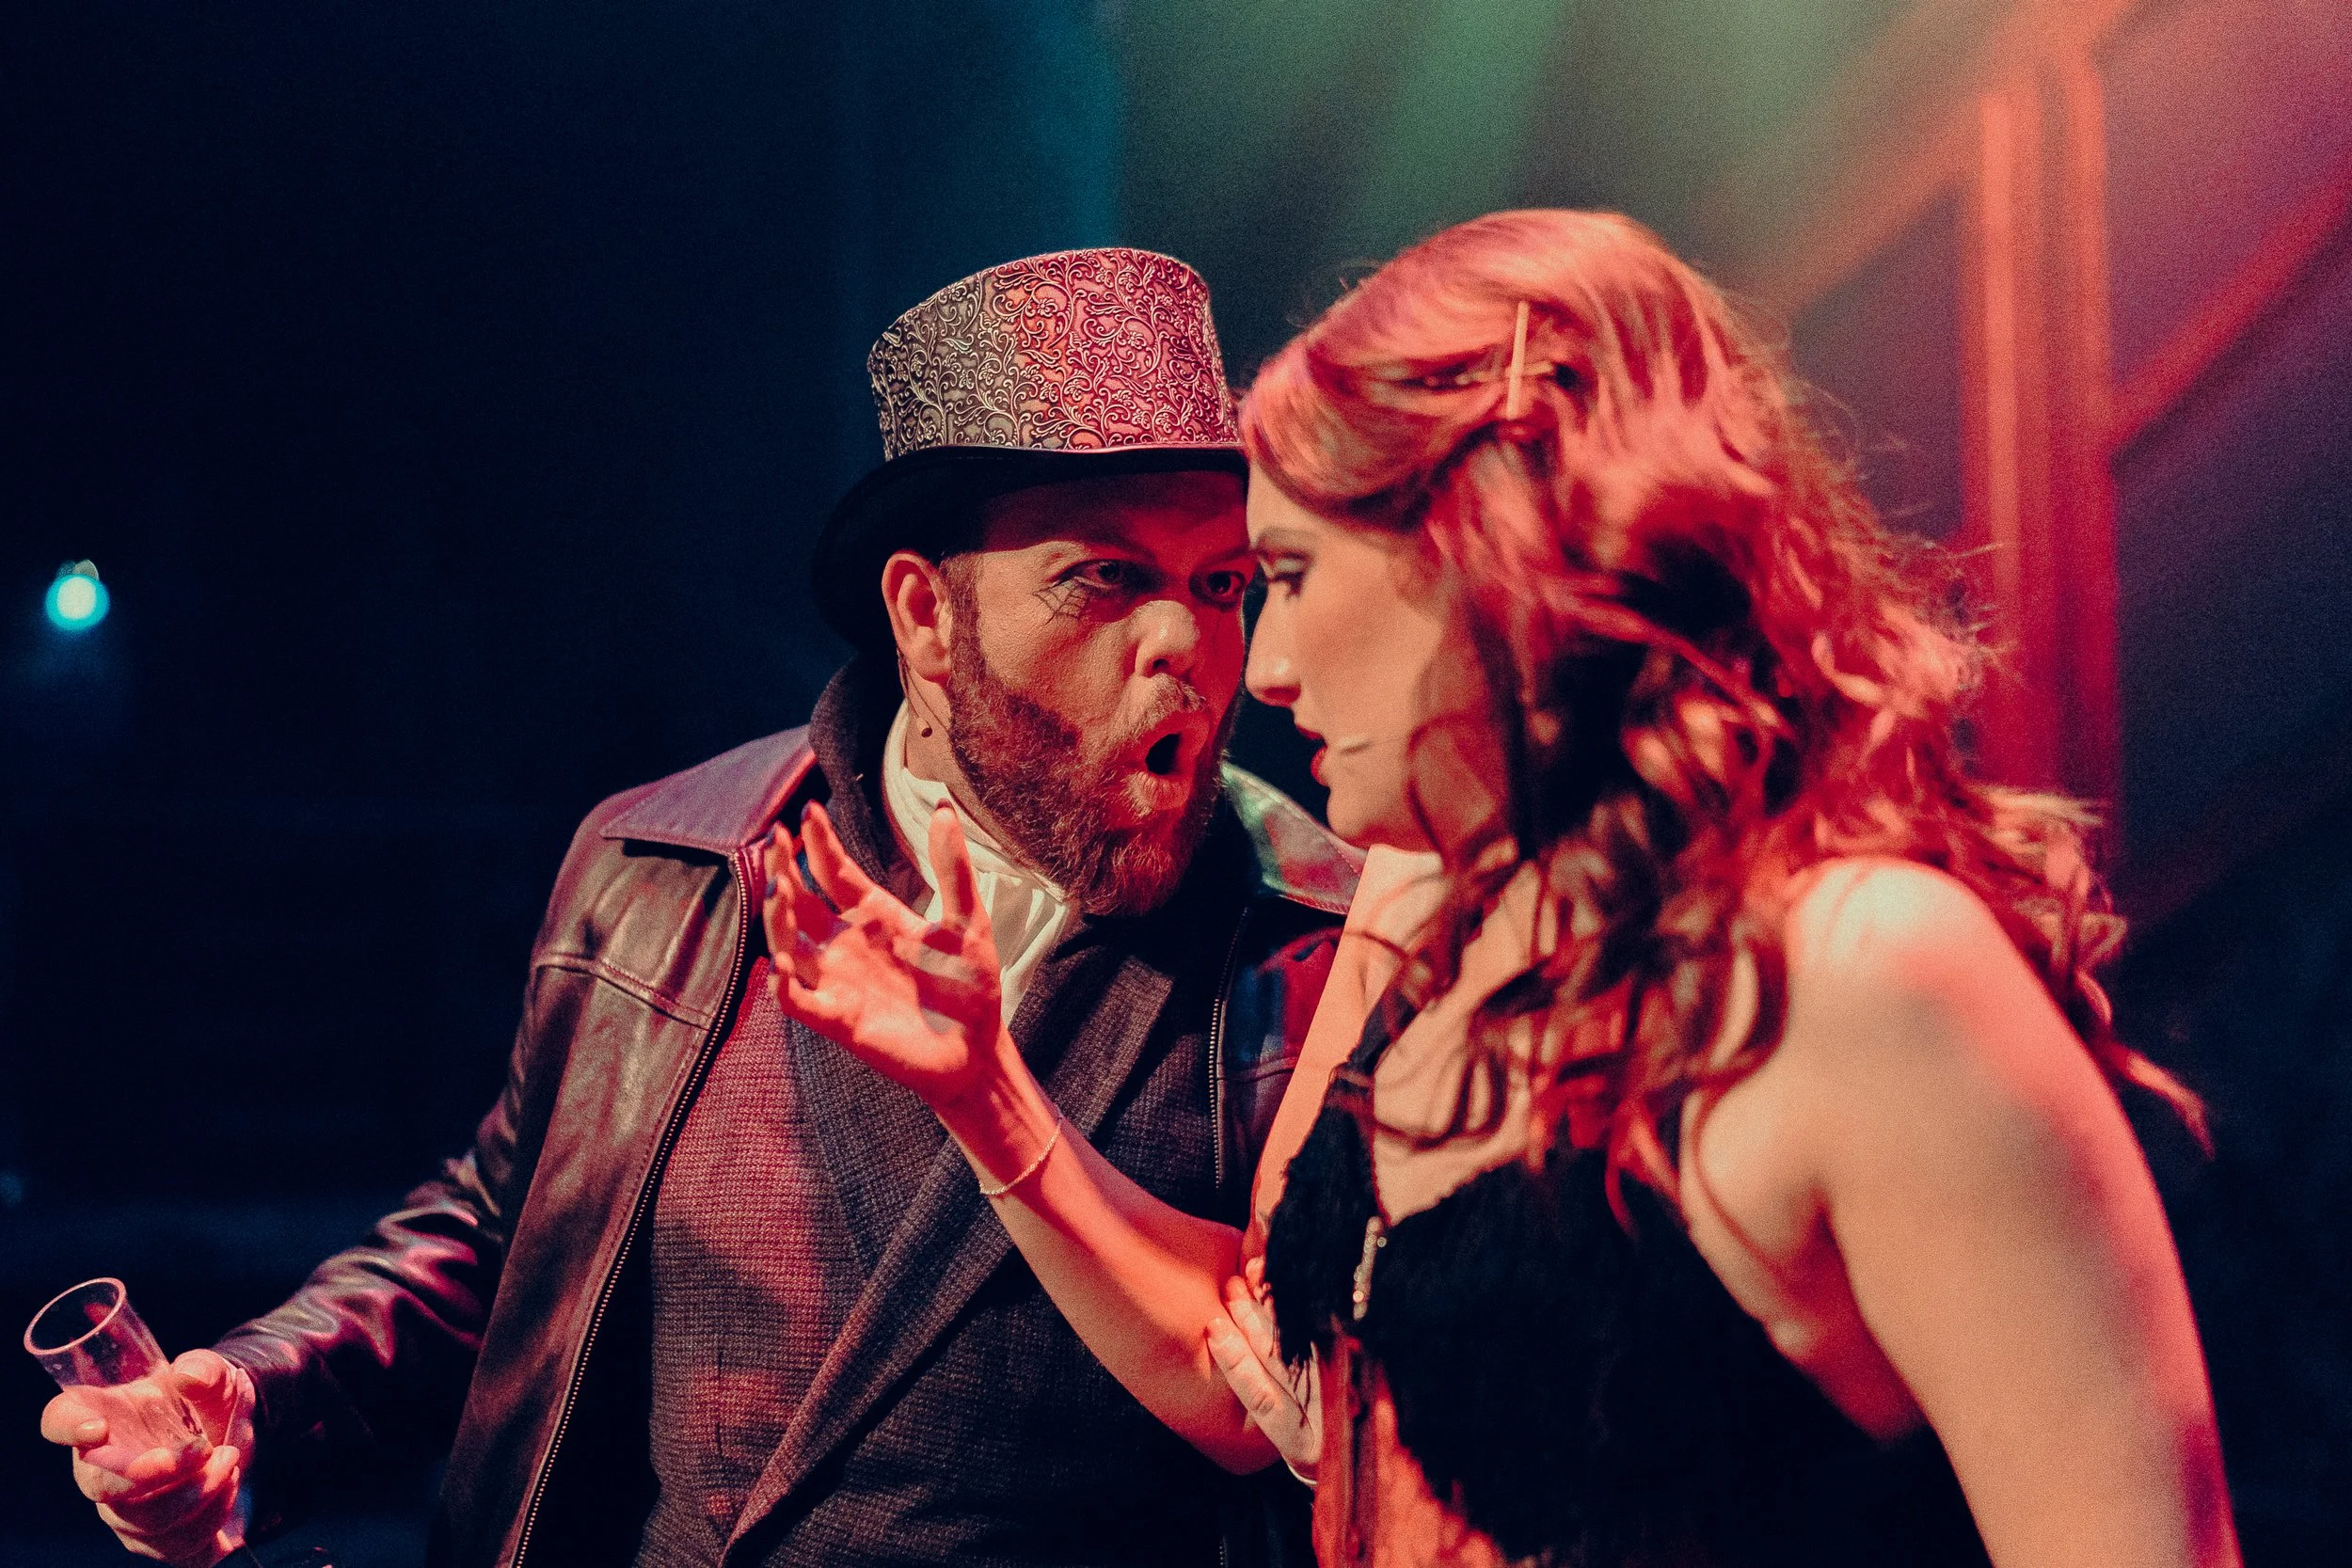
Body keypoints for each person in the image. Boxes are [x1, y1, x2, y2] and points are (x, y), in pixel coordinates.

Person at [779, 210, 2240, 1567]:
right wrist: (982, 1087)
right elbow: (1266, 1386)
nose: (1262, 673)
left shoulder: (1870, 968)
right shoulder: (1424, 929)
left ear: (1483, 550)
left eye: (1271, 576)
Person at [39, 246, 1358, 1568]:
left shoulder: (1303, 944)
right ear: (925, 617)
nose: (1186, 645)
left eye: (1221, 583)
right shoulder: (666, 863)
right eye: (1105, 578)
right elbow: (505, 1241)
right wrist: (256, 1397)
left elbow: (1301, 1393)